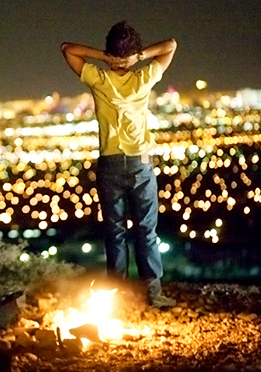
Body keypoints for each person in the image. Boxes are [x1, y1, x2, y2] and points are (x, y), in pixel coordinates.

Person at [61, 21, 177, 308]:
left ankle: (117, 295)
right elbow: (171, 45)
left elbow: (67, 49)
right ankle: (152, 293)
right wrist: (138, 56)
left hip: (110, 165)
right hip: (140, 163)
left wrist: (104, 56)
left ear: (111, 50)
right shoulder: (145, 76)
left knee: (115, 232)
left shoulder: (99, 79)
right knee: (146, 230)